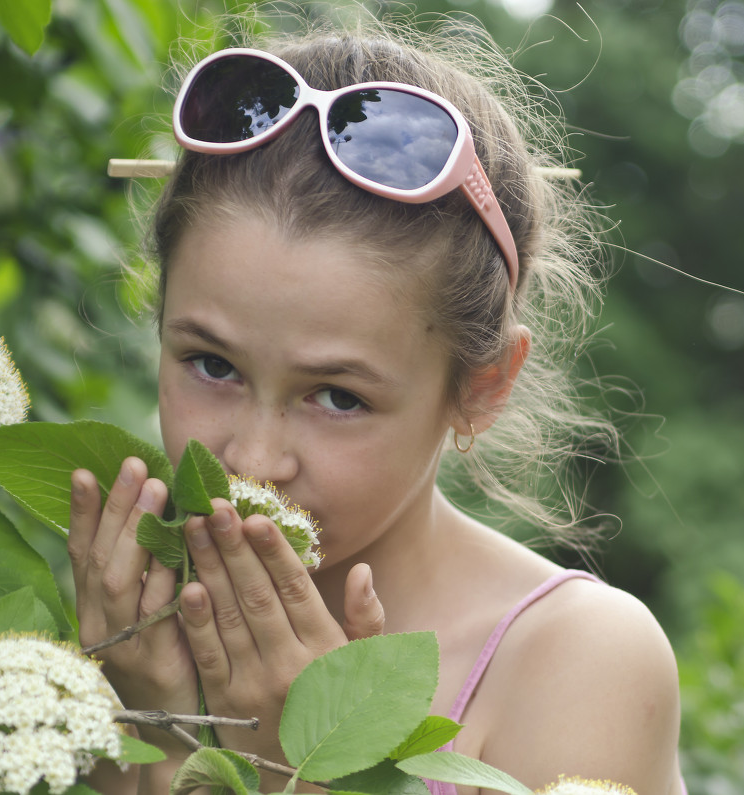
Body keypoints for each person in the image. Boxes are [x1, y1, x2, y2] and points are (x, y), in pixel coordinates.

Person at [68, 13, 683, 795]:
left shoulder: (579, 660)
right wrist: (143, 731)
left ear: (481, 385)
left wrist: (291, 772)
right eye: (211, 363)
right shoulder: (130, 619)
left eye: (337, 396)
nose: (253, 459)